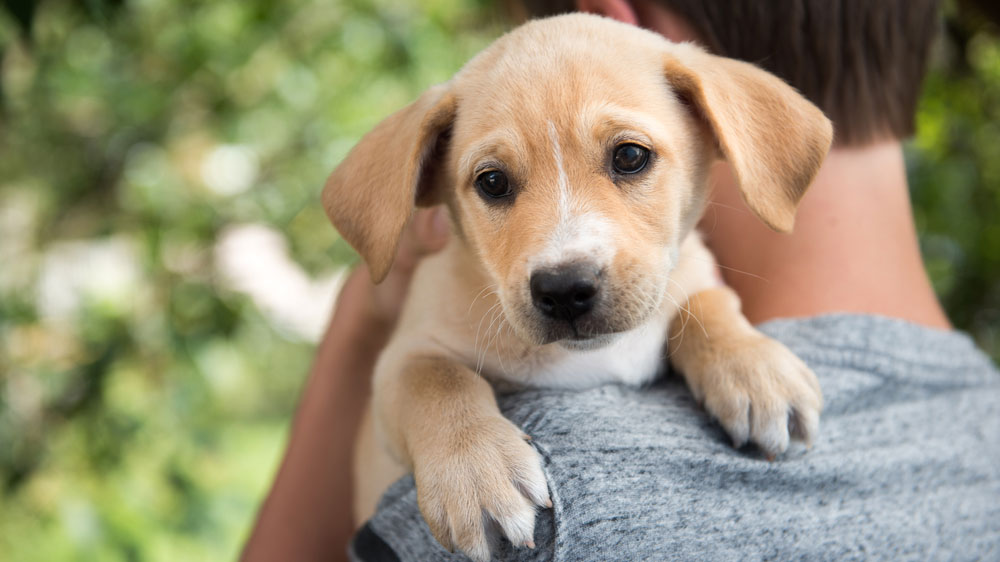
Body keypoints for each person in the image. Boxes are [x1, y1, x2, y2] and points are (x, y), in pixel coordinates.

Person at [241, 0, 1000, 560]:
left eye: (629, 158)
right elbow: (418, 372)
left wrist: (717, 334)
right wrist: (399, 356)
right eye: (497, 184)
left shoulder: (549, 516)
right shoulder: (984, 427)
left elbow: (694, 296)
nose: (564, 257)